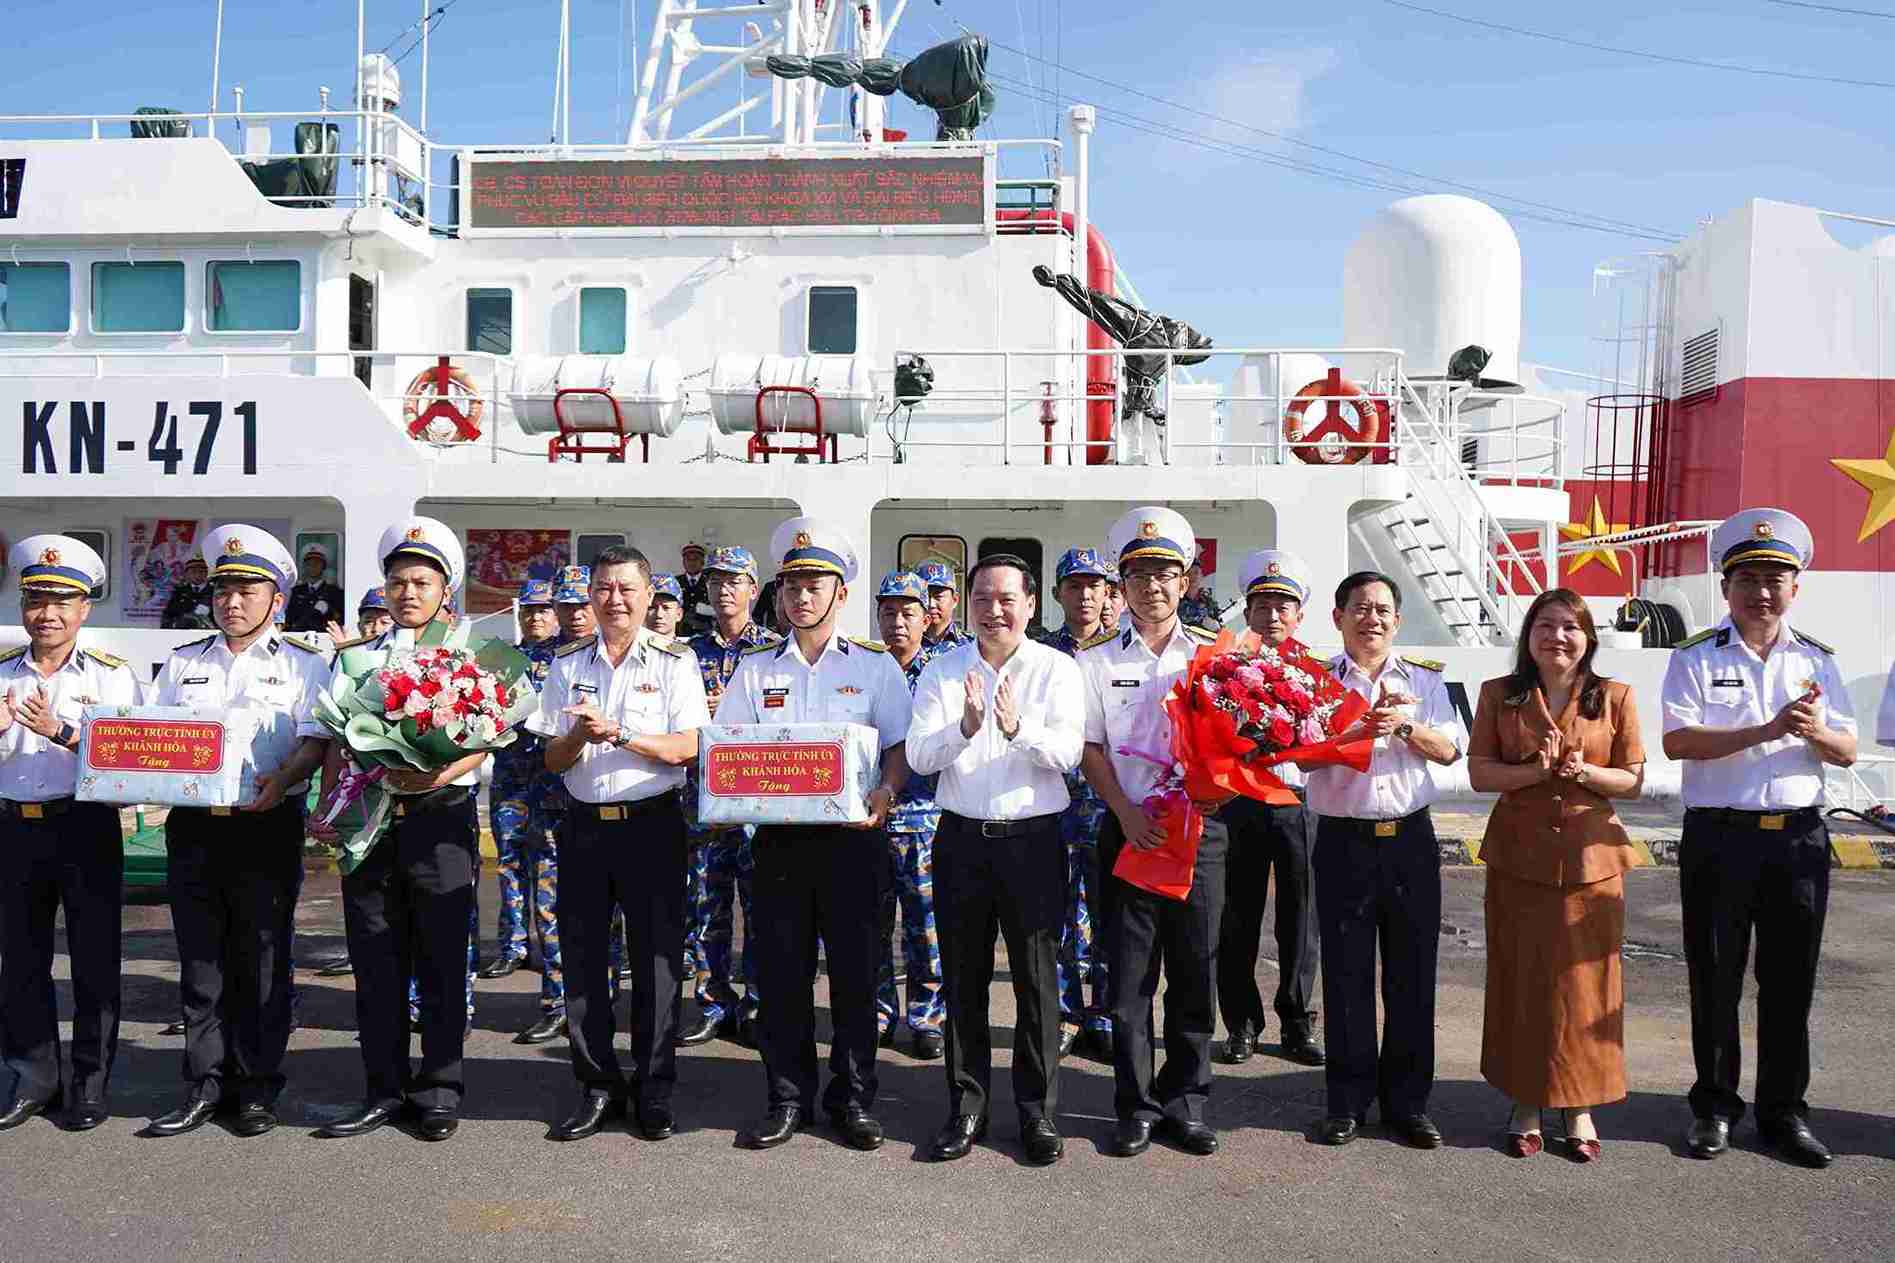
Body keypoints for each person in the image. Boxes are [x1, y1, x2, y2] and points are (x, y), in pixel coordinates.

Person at [1661, 508, 1854, 1169]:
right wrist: (1767, 730)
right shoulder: (1693, 657)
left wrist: (1814, 733)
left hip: (1796, 839)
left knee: (1788, 982)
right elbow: (1677, 740)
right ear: (1726, 586)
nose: (1761, 591)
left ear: (1794, 586)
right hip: (1720, 835)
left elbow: (1846, 749)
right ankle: (1713, 1106)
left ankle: (1782, 1113)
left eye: (1775, 577)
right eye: (1747, 577)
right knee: (1713, 977)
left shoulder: (1818, 661)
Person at [719, 517, 912, 1152]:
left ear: (840, 593)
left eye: (816, 583)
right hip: (779, 844)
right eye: (792, 584)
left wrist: (887, 791)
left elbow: (899, 746)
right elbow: (727, 750)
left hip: (854, 844)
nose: (802, 595)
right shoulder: (752, 670)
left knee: (857, 979)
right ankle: (786, 1098)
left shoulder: (876, 668)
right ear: (777, 594)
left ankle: (852, 1099)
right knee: (781, 977)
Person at [143, 526, 333, 1138]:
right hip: (195, 826)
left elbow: (313, 740)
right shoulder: (182, 661)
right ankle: (205, 1084)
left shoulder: (305, 665)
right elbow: (153, 738)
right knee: (200, 959)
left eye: (248, 589)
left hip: (266, 824)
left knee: (263, 958)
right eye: (224, 588)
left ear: (276, 599)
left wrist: (283, 781)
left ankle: (257, 1087)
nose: (232, 601)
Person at [310, 517, 489, 1143]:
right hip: (370, 821)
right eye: (396, 582)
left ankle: (440, 1089)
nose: (407, 592)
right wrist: (331, 808)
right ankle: (382, 1087)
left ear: (446, 590)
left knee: (441, 959)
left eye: (421, 581)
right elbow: (338, 739)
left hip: (439, 822)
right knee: (376, 960)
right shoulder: (357, 656)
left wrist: (437, 777)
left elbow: (488, 739)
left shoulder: (469, 653)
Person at [910, 554, 1085, 1165]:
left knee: (1038, 982)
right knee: (963, 979)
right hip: (961, 838)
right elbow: (919, 755)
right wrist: (965, 726)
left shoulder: (1058, 670)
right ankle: (967, 1107)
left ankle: (1037, 1113)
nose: (994, 609)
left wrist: (1016, 730)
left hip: (1032, 839)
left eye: (1007, 598)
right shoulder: (944, 668)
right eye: (982, 597)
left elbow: (1066, 753)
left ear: (1032, 604)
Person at [534, 547, 709, 1143]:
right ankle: (596, 1085)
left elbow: (688, 746)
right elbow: (552, 759)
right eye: (605, 589)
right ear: (591, 596)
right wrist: (578, 738)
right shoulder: (567, 663)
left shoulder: (675, 661)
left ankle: (655, 1089)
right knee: (582, 960)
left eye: (627, 589)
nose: (615, 600)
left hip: (651, 824)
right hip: (583, 823)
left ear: (649, 593)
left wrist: (622, 733)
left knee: (658, 962)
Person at [1468, 588, 1645, 1162]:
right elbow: (1479, 773)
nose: (1557, 637)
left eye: (1570, 626)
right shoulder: (1501, 695)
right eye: (1545, 625)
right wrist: (1532, 771)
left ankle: (1580, 1105)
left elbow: (1633, 779)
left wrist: (1585, 770)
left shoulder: (1615, 697)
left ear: (1589, 636)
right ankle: (1525, 1101)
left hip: (1594, 863)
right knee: (1523, 980)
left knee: (1587, 987)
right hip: (1520, 859)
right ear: (1528, 636)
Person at [1078, 507, 1225, 1158]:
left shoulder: (1216, 658)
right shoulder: (1094, 660)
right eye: (1137, 574)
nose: (1152, 587)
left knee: (1195, 974)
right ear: (1121, 585)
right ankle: (1134, 1105)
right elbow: (1089, 747)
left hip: (1203, 834)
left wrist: (1221, 788)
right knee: (1130, 982)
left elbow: (1240, 743)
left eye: (1165, 573)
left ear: (1186, 580)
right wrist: (1123, 811)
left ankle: (1186, 1102)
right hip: (1130, 832)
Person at [1306, 571, 1465, 1149]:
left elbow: (1448, 750)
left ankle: (1409, 1104)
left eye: (1381, 610)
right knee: (1346, 975)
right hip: (1343, 840)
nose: (1370, 619)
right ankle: (1347, 1101)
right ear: (1338, 617)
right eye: (1359, 608)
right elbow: (1300, 757)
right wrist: (1351, 729)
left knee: (1411, 974)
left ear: (1397, 621)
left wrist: (1404, 726)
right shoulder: (1315, 682)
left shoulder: (1423, 680)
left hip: (1409, 841)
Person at [0, 536, 138, 1133]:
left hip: (83, 826)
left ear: (85, 609)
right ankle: (31, 1078)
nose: (46, 612)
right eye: (35, 598)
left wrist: (63, 731)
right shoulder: (1, 674)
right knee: (21, 961)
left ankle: (88, 1083)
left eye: (62, 600)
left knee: (93, 960)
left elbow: (131, 764)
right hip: (12, 827)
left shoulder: (112, 677)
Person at [1216, 550, 1325, 1069]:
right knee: (1236, 915)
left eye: (1284, 605)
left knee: (1301, 917)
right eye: (1262, 605)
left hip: (1298, 802)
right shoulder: (1224, 669)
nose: (1273, 616)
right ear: (1248, 612)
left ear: (1300, 614)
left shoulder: (1320, 673)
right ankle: (1241, 1023)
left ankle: (1298, 1020)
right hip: (1240, 802)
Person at [682, 546, 777, 1047]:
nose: (723, 589)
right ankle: (713, 1001)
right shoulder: (686, 653)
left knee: (762, 909)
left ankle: (760, 1003)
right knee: (706, 906)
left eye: (734, 581)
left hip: (759, 804)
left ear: (752, 590)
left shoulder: (774, 650)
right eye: (716, 581)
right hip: (704, 804)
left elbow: (789, 727)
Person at [479, 579, 574, 1043]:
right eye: (529, 611)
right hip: (513, 781)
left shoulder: (569, 657)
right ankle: (513, 945)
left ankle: (565, 994)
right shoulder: (503, 659)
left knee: (556, 892)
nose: (536, 617)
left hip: (557, 786)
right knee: (510, 866)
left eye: (543, 610)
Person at [872, 571, 946, 1060]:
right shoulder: (865, 669)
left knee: (925, 926)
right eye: (889, 612)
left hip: (924, 819)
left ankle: (928, 1015)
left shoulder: (944, 671)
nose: (898, 621)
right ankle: (878, 1011)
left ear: (926, 617)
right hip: (869, 819)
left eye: (908, 612)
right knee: (872, 923)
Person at [1046, 547, 1116, 1061]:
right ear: (1057, 594)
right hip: (1054, 804)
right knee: (1060, 914)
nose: (1085, 594)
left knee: (1113, 914)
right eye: (1075, 585)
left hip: (1113, 803)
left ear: (1109, 594)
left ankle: (1108, 1013)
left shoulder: (1120, 654)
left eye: (1095, 585)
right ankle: (1067, 1013)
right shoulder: (1041, 654)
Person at [284, 542, 345, 634]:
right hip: (298, 638)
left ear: (323, 566)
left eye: (317, 563)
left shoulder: (335, 592)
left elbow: (341, 620)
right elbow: (289, 619)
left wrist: (329, 610)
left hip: (325, 639)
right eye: (309, 564)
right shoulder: (296, 591)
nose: (313, 566)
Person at [916, 560, 970, 649]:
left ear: (955, 600)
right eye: (924, 596)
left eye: (938, 597)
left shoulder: (971, 645)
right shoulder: (904, 644)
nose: (930, 604)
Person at [160, 557, 215, 630]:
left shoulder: (214, 591)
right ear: (187, 574)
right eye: (193, 572)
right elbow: (168, 616)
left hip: (209, 632)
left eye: (201, 572)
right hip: (183, 633)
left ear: (208, 573)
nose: (197, 575)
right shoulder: (179, 592)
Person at [554, 566, 596, 644]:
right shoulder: (538, 654)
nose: (576, 616)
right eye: (567, 605)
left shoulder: (617, 650)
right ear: (555, 608)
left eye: (584, 605)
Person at [678, 541, 712, 636]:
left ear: (702, 562)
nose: (692, 563)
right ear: (683, 562)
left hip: (706, 632)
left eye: (696, 559)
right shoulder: (675, 582)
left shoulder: (710, 581)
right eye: (688, 559)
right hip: (681, 632)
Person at [1177, 559, 1221, 632]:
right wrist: (1202, 617)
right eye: (1188, 573)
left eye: (1196, 572)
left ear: (1201, 576)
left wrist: (1217, 627)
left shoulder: (1208, 601)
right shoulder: (1176, 598)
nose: (1192, 576)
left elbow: (1219, 622)